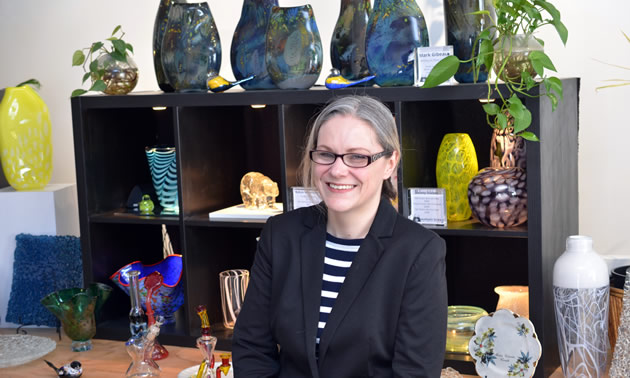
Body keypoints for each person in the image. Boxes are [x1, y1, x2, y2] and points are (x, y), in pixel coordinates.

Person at [232, 95, 447, 377]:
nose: (337, 169)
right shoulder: (280, 234)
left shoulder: (420, 252)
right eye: (325, 154)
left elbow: (414, 372)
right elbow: (251, 349)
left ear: (390, 162)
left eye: (357, 156)